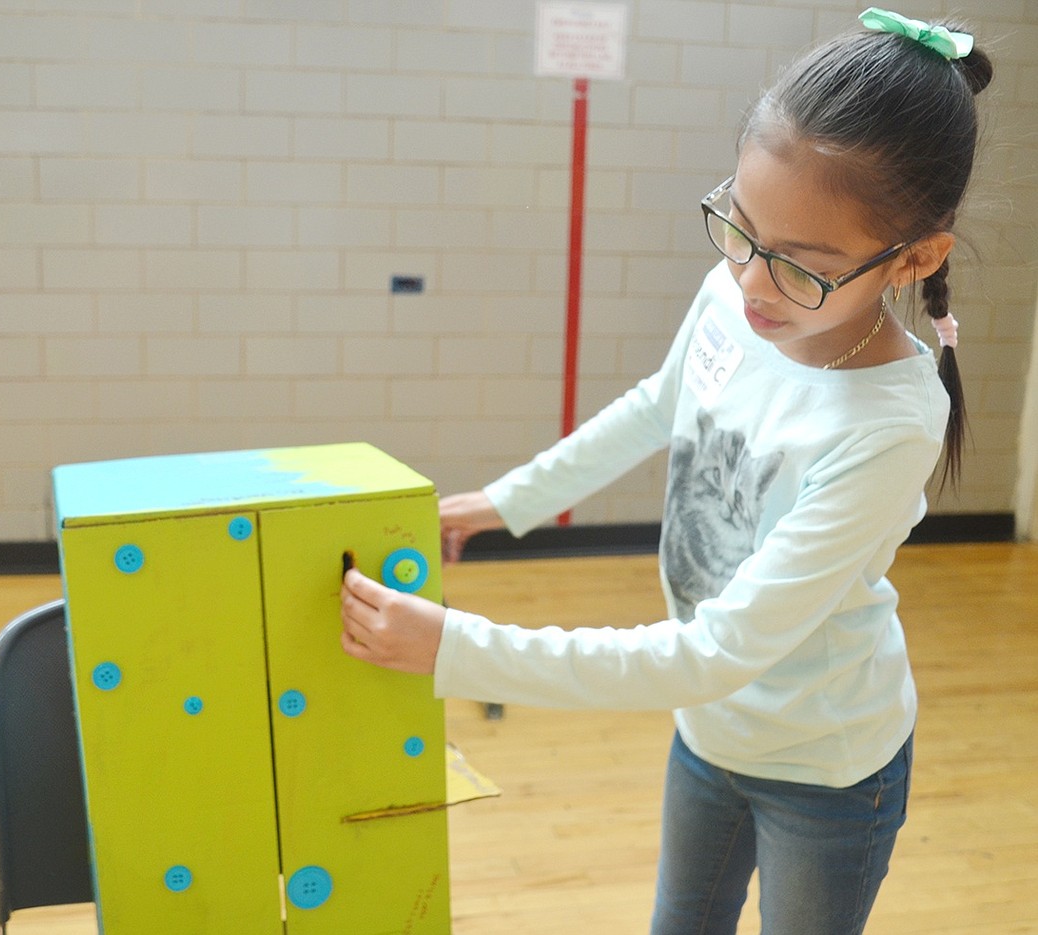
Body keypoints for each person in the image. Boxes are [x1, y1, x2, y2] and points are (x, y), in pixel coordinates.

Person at [339, 9, 994, 934]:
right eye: (740, 226)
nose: (754, 282)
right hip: (707, 732)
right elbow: (658, 404)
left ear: (916, 258)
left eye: (801, 268)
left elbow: (716, 649)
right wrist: (504, 504)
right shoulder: (740, 294)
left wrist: (453, 648)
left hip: (828, 769)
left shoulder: (889, 423)